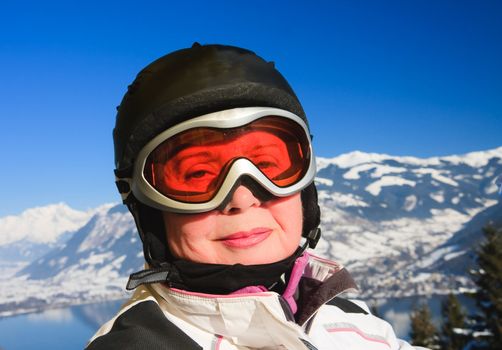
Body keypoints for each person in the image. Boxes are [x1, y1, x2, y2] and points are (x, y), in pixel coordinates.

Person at [86, 43, 426, 349]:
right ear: (148, 208)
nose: (243, 198)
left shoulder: (343, 317)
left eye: (268, 164)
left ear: (305, 189)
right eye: (199, 175)